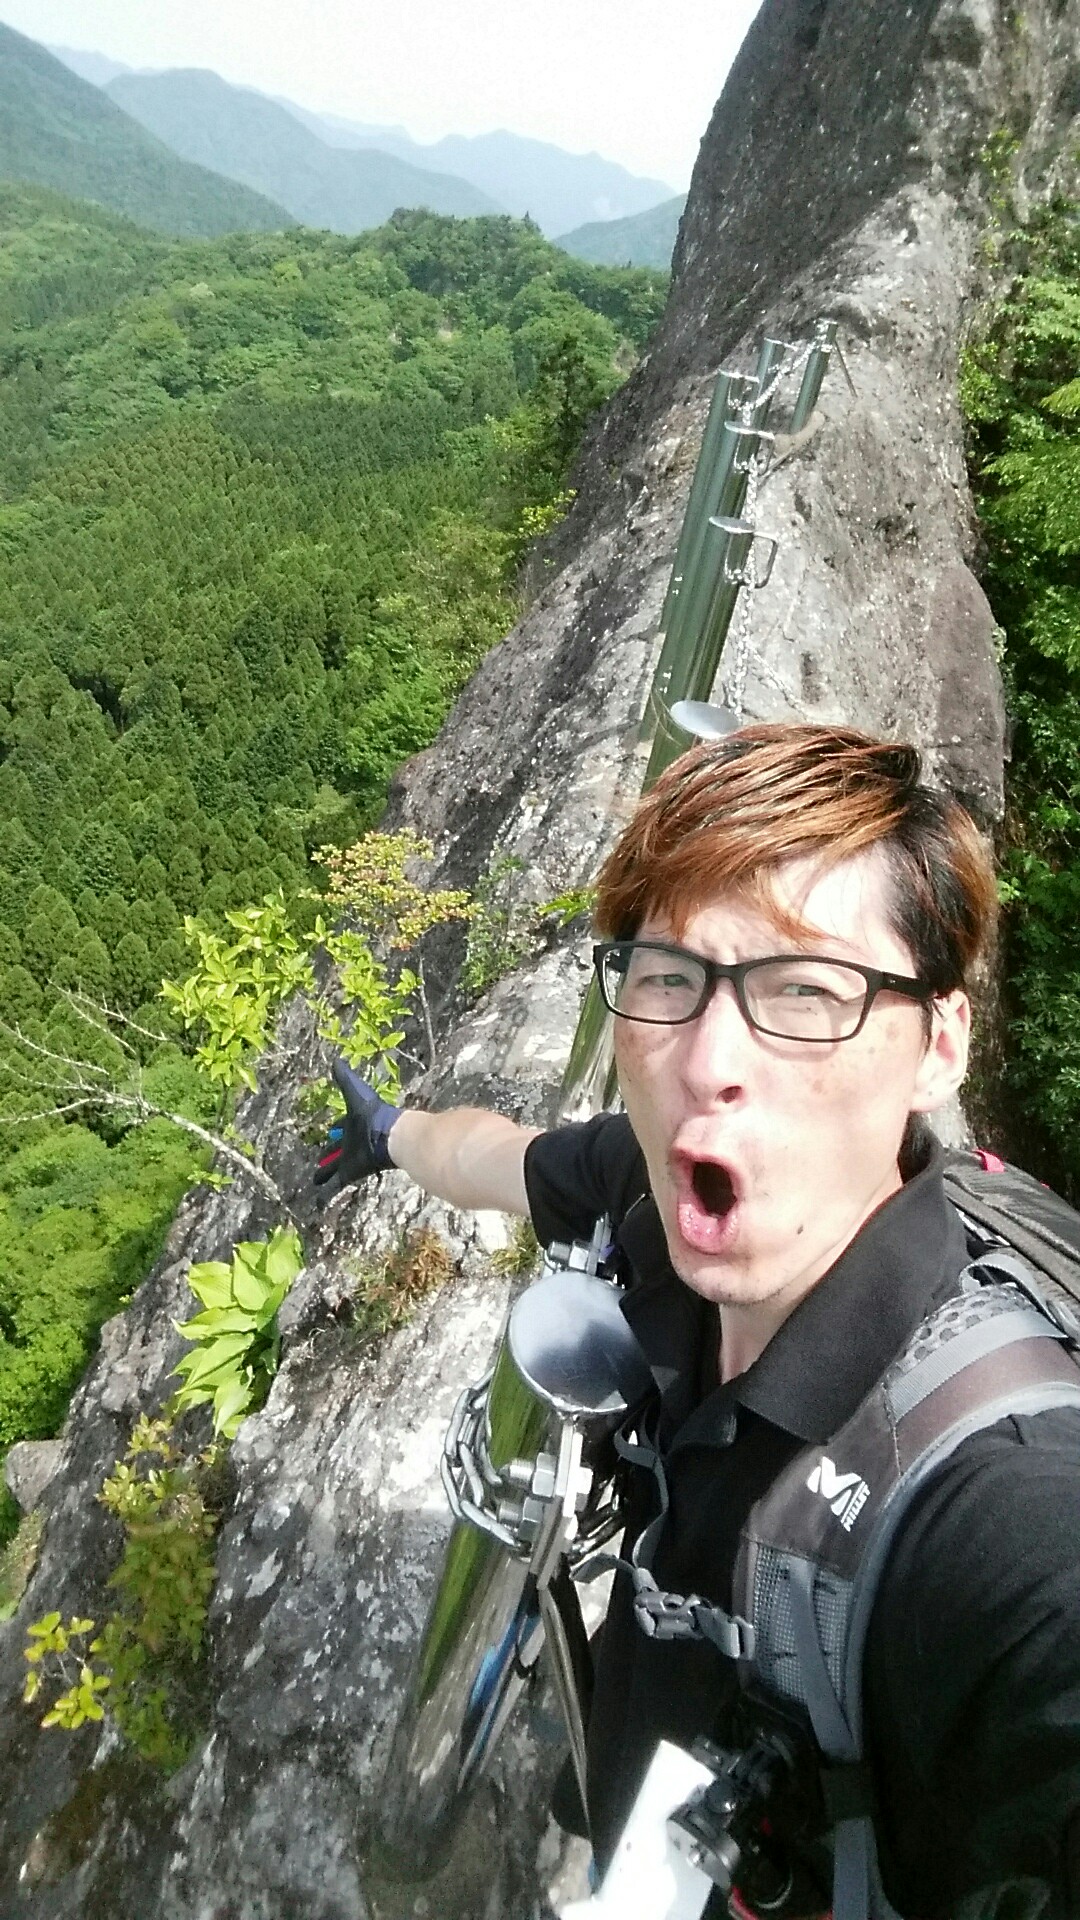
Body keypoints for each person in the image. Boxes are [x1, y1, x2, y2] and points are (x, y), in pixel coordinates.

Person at [316, 722, 1080, 1919]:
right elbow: (498, 1158)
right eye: (668, 975)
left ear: (937, 1044)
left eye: (805, 991)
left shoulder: (996, 1510)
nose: (706, 1057)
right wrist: (389, 1135)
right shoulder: (652, 1181)